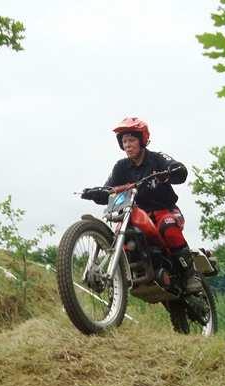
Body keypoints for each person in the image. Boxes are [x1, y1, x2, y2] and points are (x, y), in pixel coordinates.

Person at [81, 117, 202, 293]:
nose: (127, 145)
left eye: (131, 140)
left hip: (165, 210)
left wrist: (174, 169)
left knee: (169, 227)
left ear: (142, 140)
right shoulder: (121, 167)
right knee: (121, 235)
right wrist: (96, 193)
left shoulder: (157, 158)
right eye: (124, 141)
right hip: (136, 214)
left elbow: (177, 170)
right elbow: (110, 189)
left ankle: (190, 275)